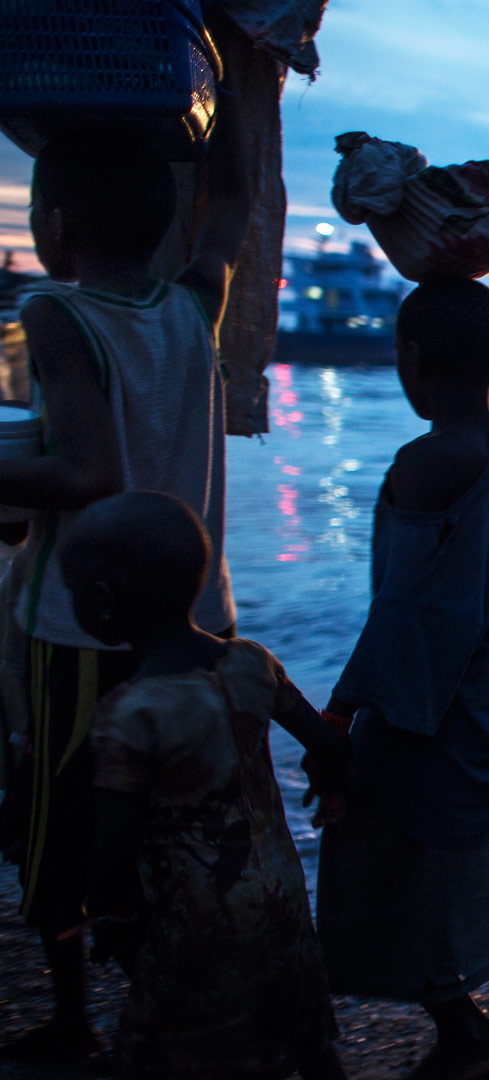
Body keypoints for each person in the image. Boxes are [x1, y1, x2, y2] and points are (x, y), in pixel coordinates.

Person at [0, 117, 252, 1061]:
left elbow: (86, 475)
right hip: (196, 624)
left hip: (85, 627)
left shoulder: (52, 315)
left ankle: (74, 1020)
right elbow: (233, 204)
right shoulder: (193, 304)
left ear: (57, 226)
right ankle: (174, 1005)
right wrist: (234, 88)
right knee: (175, 828)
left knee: (60, 819)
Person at [316, 279, 489, 1080]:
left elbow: (404, 609)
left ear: (409, 358)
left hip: (436, 711)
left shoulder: (426, 462)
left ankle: (463, 1031)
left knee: (382, 856)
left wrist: (340, 715)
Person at [63, 492, 348, 1080]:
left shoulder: (131, 712)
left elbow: (116, 842)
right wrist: (331, 784)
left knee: (169, 1045)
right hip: (281, 894)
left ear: (103, 601)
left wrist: (105, 911)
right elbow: (327, 744)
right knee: (305, 1034)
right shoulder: (251, 662)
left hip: (193, 914)